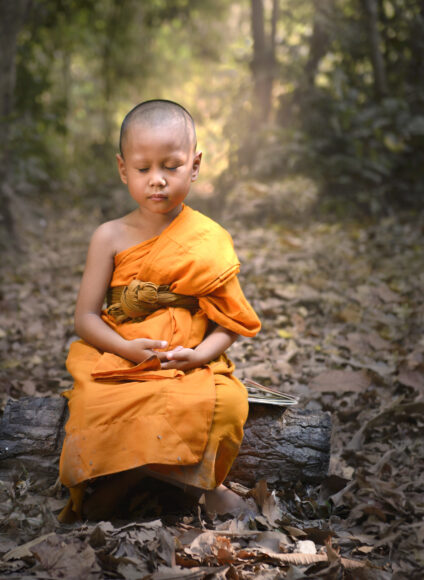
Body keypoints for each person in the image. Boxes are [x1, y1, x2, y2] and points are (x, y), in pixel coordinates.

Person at [58, 99, 261, 522]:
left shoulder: (210, 238)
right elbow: (85, 319)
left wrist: (201, 355)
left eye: (171, 166)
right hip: (120, 358)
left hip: (188, 364)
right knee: (94, 405)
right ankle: (190, 484)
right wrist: (129, 351)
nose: (157, 181)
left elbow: (230, 322)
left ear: (195, 164)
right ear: (122, 169)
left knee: (227, 404)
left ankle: (134, 480)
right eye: (143, 168)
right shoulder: (108, 236)